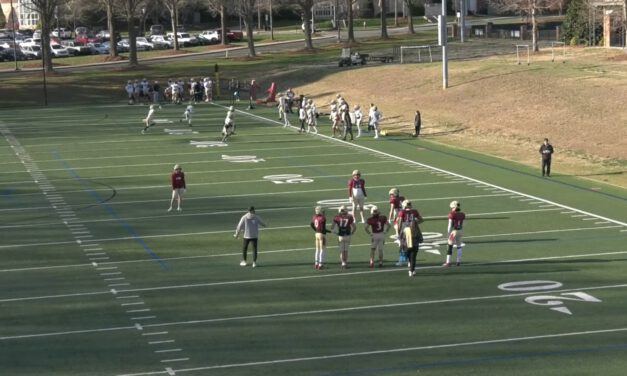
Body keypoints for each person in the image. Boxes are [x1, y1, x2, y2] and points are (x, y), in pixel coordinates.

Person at [395, 200, 424, 267]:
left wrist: (399, 233)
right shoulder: (414, 211)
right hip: (413, 230)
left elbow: (399, 224)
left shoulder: (402, 212)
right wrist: (415, 224)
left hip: (405, 231)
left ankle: (402, 261)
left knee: (404, 246)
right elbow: (421, 220)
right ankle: (410, 262)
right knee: (414, 245)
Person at [400, 204, 424, 277]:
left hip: (407, 245)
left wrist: (402, 244)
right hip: (414, 244)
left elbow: (401, 236)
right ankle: (412, 270)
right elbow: (419, 235)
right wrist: (420, 240)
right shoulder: (416, 227)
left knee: (409, 257)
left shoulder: (405, 228)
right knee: (413, 258)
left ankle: (411, 269)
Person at [331, 205, 356, 270]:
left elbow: (332, 227)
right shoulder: (349, 217)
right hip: (347, 235)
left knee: (341, 251)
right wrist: (352, 233)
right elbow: (354, 227)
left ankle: (343, 263)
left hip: (341, 236)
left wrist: (336, 233)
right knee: (346, 250)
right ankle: (345, 263)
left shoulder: (337, 217)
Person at [443, 200, 466, 267]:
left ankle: (448, 262)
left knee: (449, 246)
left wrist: (448, 233)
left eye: (452, 207)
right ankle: (458, 261)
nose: (451, 208)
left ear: (454, 207)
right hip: (460, 230)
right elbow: (463, 224)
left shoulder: (452, 214)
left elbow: (450, 225)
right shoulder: (462, 214)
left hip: (454, 231)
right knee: (459, 246)